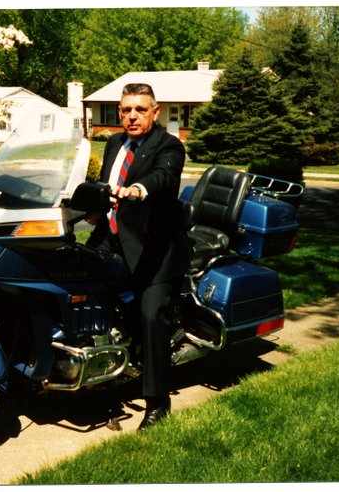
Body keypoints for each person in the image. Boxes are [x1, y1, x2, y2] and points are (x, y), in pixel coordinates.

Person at [86, 83, 192, 430]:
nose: (132, 116)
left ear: (155, 112)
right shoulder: (115, 142)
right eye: (126, 110)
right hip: (112, 238)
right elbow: (105, 188)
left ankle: (158, 403)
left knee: (150, 315)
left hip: (155, 247)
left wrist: (136, 190)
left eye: (140, 110)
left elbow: (162, 178)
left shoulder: (170, 146)